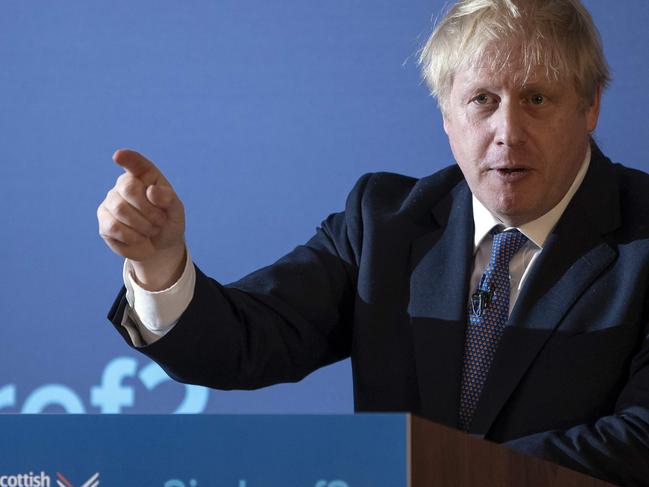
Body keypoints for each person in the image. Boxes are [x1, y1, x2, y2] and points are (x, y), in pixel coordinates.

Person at [98, 0, 649, 484]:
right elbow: (245, 343)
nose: (508, 130)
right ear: (446, 115)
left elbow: (640, 440)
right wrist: (161, 262)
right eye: (482, 99)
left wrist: (445, 474)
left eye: (536, 98)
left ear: (590, 105)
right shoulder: (384, 222)